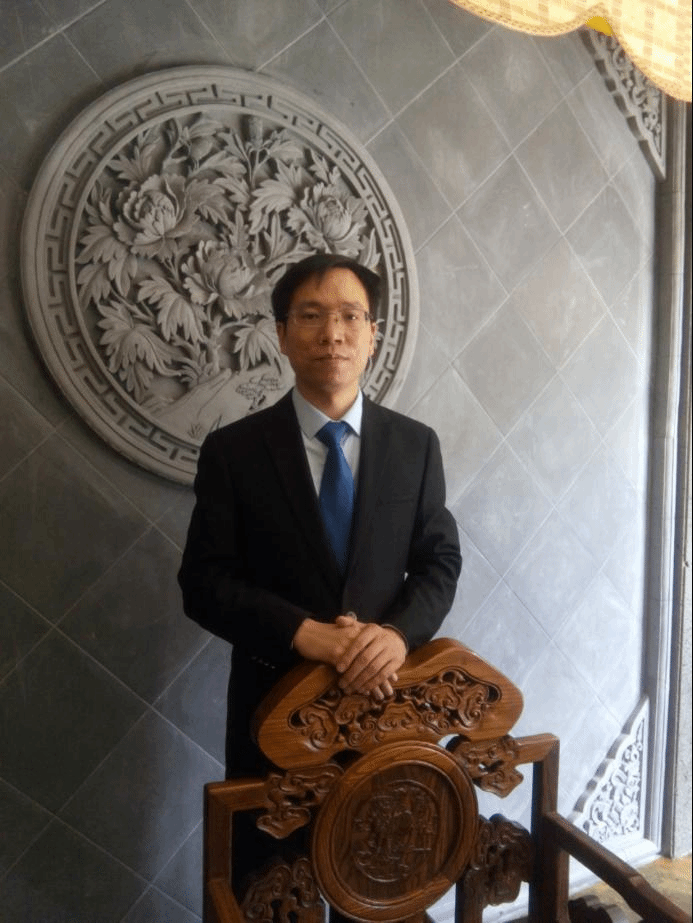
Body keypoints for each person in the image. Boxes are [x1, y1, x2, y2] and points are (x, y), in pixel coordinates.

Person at [178, 252, 462, 897]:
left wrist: (396, 635)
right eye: (310, 316)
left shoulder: (416, 445)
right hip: (273, 714)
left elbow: (440, 561)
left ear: (373, 335)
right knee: (272, 888)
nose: (332, 333)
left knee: (383, 886)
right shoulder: (233, 452)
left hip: (389, 708)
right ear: (282, 335)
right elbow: (203, 582)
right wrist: (305, 633)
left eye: (350, 316)